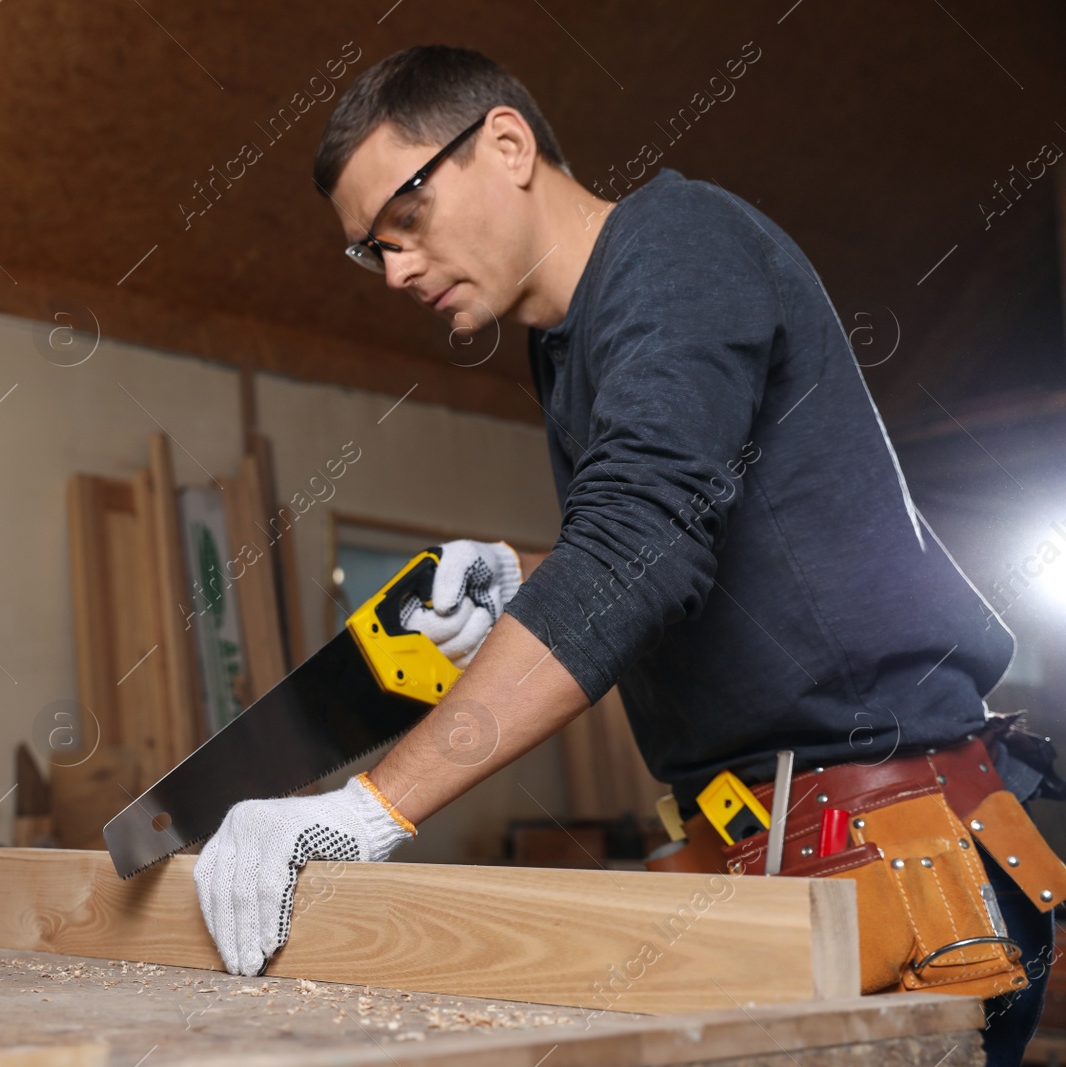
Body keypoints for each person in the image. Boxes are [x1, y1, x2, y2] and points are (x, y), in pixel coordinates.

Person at [191, 45, 1066, 1066]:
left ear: (506, 144)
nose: (394, 270)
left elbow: (640, 542)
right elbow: (684, 537)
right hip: (767, 862)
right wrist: (527, 575)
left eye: (406, 219)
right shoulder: (565, 343)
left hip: (896, 863)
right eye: (369, 251)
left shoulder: (677, 248)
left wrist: (368, 805)